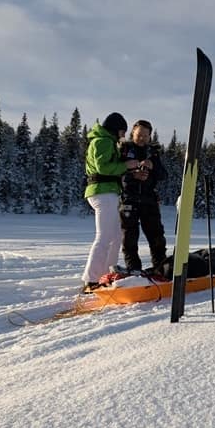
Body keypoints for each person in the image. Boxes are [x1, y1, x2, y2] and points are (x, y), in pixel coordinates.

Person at [81, 112, 141, 293]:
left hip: (107, 192)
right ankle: (91, 280)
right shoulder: (103, 141)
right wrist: (127, 166)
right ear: (115, 129)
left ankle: (107, 274)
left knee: (115, 237)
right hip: (103, 192)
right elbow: (103, 167)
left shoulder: (105, 141)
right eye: (122, 132)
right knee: (104, 237)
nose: (123, 136)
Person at [118, 120, 168, 277]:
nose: (142, 138)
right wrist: (133, 175)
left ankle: (161, 268)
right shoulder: (124, 150)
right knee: (129, 239)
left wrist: (153, 166)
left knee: (157, 237)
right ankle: (134, 269)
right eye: (139, 135)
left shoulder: (152, 153)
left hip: (149, 201)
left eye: (145, 135)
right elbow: (115, 173)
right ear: (133, 133)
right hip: (128, 200)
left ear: (149, 136)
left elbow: (163, 175)